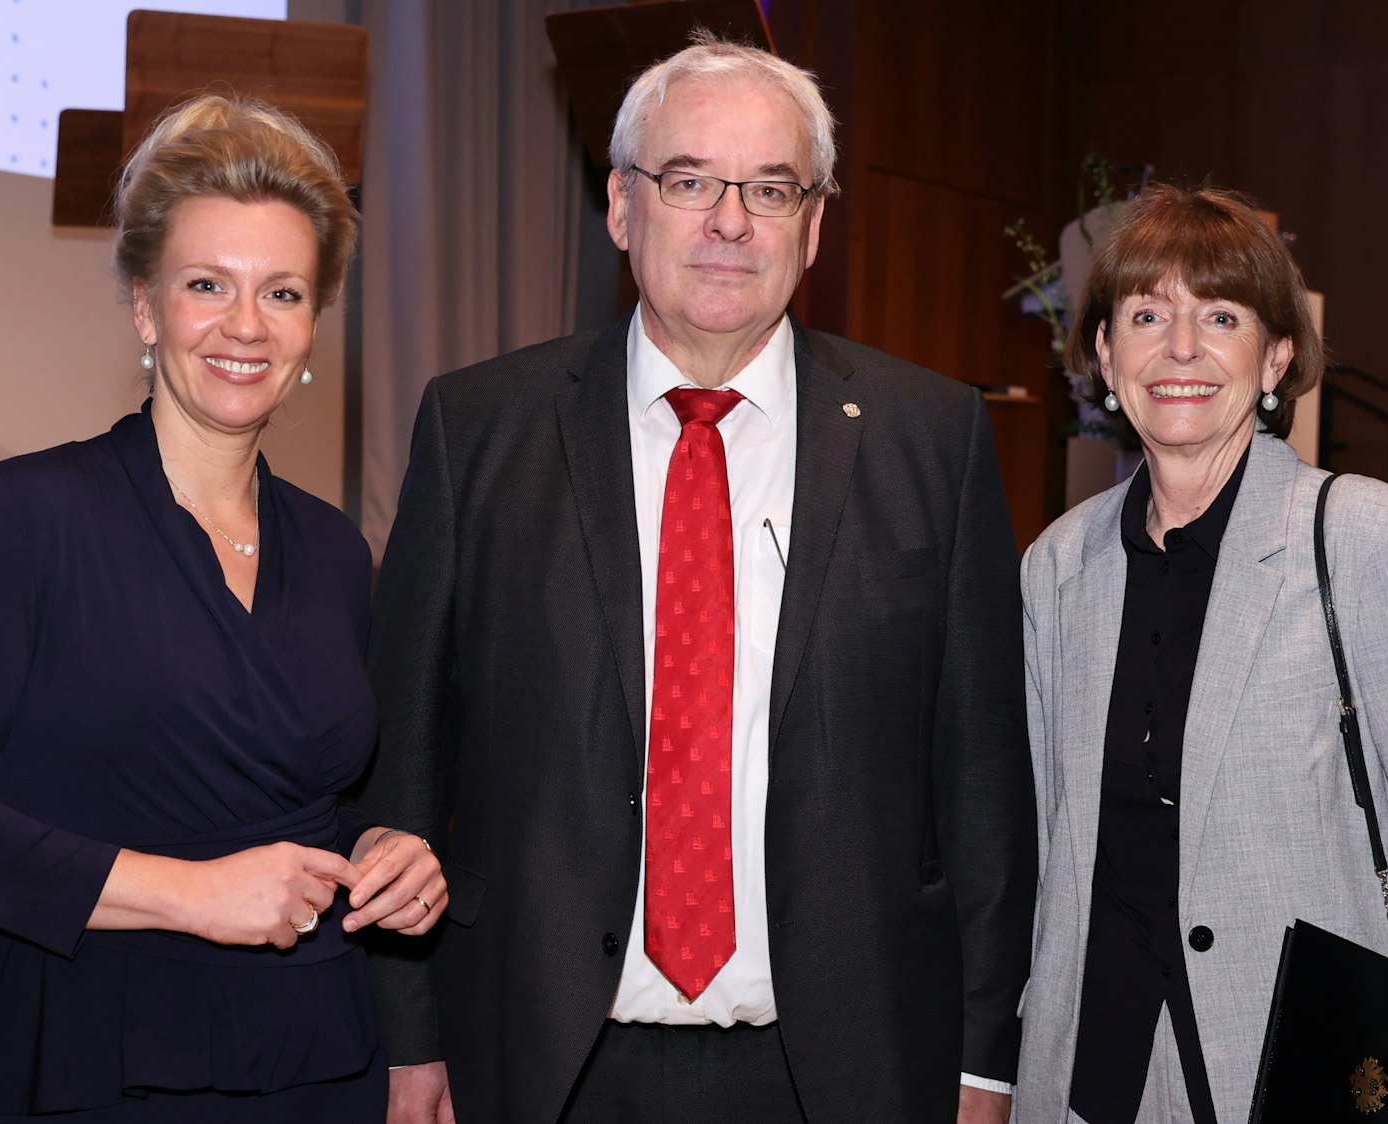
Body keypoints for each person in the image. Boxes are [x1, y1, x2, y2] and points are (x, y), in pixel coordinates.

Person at [360, 34, 1033, 1124]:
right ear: (623, 207)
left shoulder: (932, 435)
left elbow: (984, 784)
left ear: (813, 225)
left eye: (769, 188)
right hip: (536, 1059)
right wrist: (408, 1038)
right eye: (690, 181)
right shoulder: (478, 427)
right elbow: (404, 760)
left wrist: (983, 1062)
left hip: (844, 1068)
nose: (730, 220)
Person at [0, 96, 444, 1123]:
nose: (245, 325)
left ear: (311, 325)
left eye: (283, 292)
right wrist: (192, 890)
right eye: (207, 284)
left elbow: (307, 793)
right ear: (143, 303)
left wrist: (391, 852)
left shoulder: (339, 549)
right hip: (91, 1055)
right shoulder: (20, 517)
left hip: (314, 1055)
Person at [1015, 185, 1388, 1123]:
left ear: (1278, 355)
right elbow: (1054, 853)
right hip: (1091, 1073)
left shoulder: (1374, 543)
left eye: (1220, 316)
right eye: (1146, 315)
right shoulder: (1058, 567)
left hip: (1302, 1066)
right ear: (1103, 353)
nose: (1180, 348)